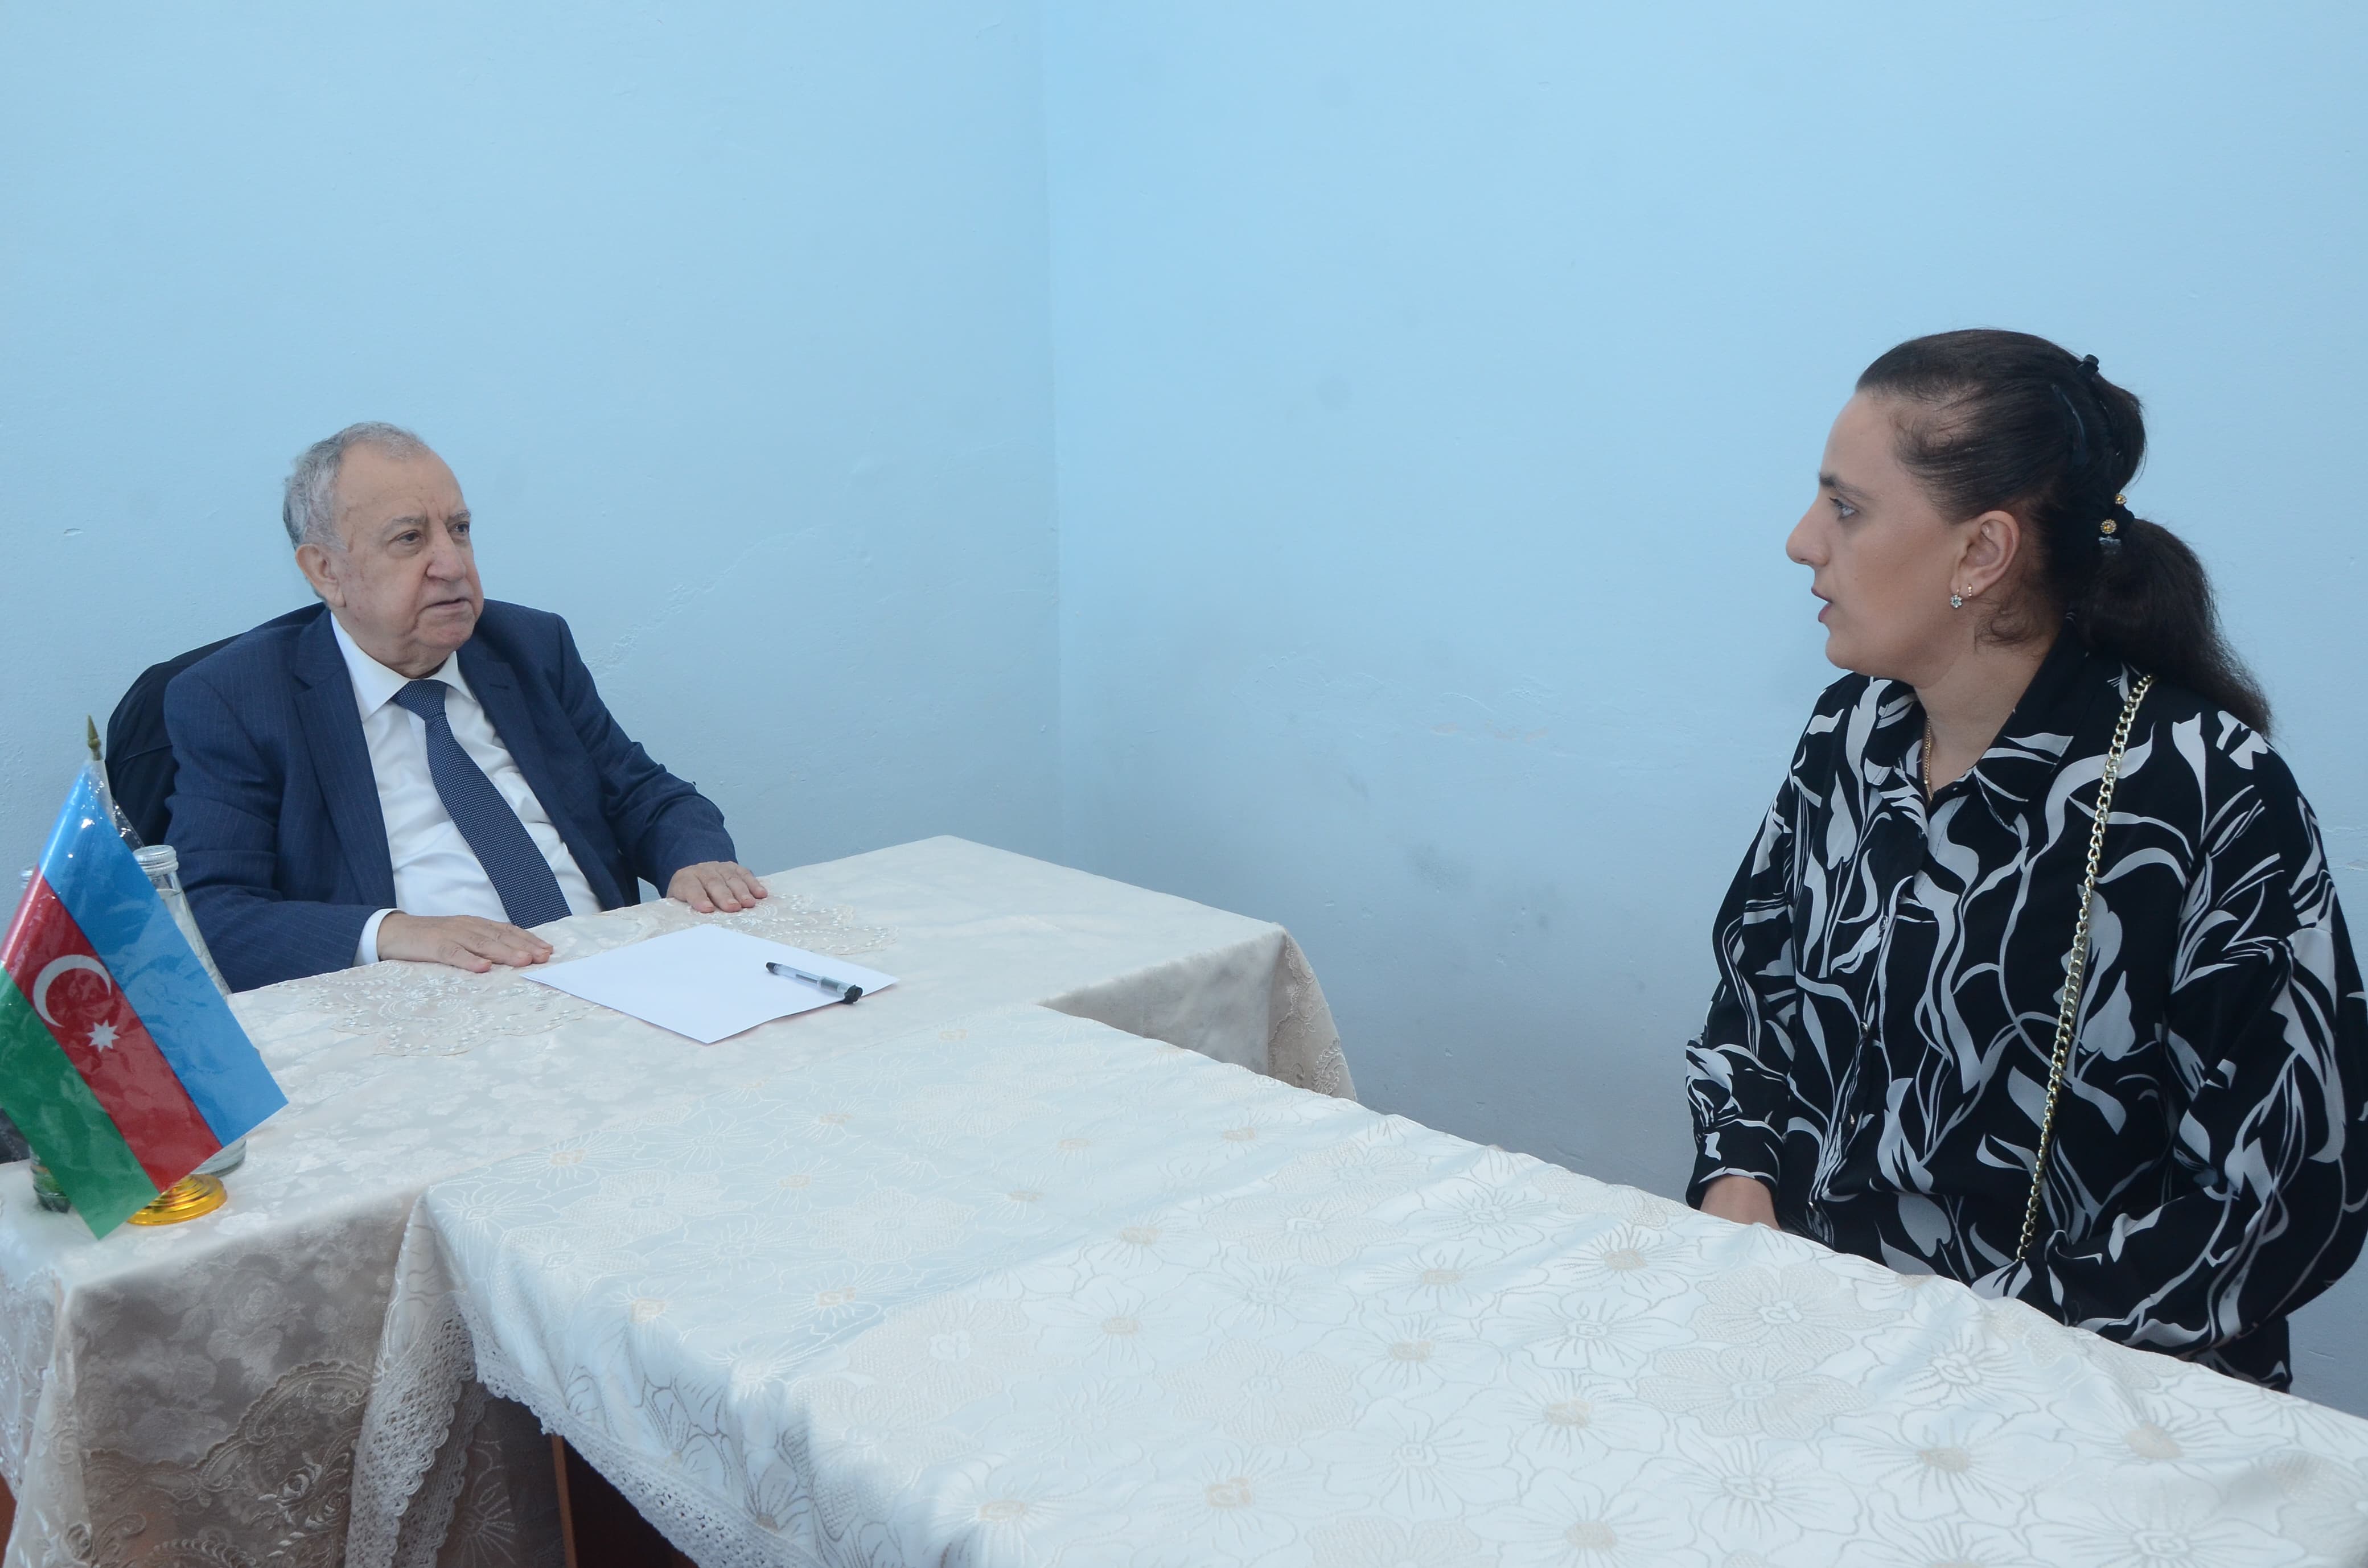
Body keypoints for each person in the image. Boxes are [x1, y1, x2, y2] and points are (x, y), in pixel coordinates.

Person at [1685, 330, 2368, 1388]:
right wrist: (1739, 1174)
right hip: (1815, 1333)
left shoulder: (2207, 795)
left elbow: (2284, 1202)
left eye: (1846, 507)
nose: (1801, 541)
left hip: (2079, 1393)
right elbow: (1755, 993)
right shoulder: (1851, 733)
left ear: (1981, 553)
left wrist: (1974, 1337)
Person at [166, 422, 768, 991]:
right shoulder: (239, 697)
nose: (452, 565)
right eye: (409, 539)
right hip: (431, 1008)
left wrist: (695, 862)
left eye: (458, 529)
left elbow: (645, 795)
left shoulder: (530, 646)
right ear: (326, 571)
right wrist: (393, 932)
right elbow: (211, 912)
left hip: (608, 972)